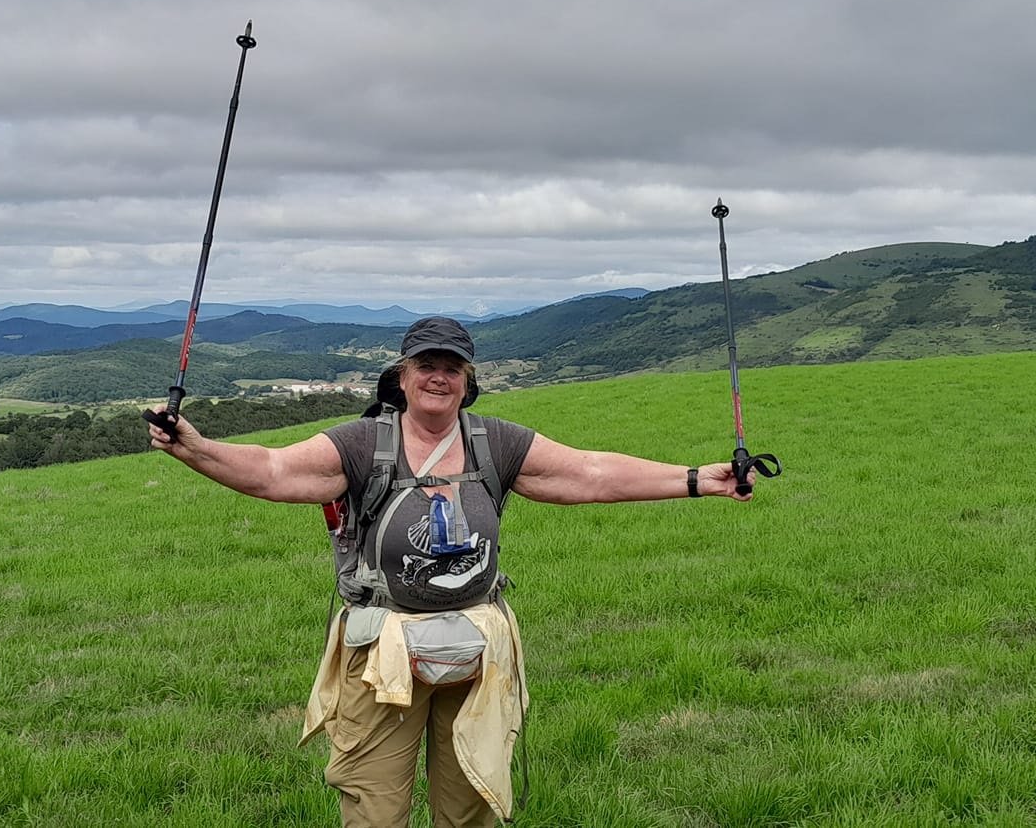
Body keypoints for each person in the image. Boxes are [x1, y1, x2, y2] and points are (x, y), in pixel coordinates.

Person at [145, 316, 761, 827]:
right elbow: (274, 471)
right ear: (403, 377)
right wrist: (197, 448)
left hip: (476, 646)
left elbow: (590, 474)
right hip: (381, 651)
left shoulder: (498, 443)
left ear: (467, 382)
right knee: (373, 809)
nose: (438, 376)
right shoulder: (363, 444)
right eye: (426, 366)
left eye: (452, 367)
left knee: (471, 806)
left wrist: (696, 480)